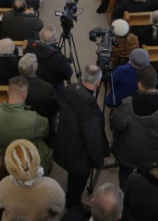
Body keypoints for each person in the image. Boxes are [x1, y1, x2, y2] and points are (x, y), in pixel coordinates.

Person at [110, 66, 158, 187]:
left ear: (139, 84)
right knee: (145, 174)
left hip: (129, 153)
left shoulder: (128, 106)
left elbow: (117, 123)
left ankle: (125, 194)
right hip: (153, 152)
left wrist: (114, 113)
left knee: (125, 174)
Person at [55, 65, 108, 210]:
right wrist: (98, 161)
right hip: (79, 156)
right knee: (77, 183)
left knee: (72, 175)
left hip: (65, 141)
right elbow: (93, 140)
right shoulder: (91, 109)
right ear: (98, 83)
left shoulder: (69, 89)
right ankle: (73, 205)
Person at [0, 77, 52, 172]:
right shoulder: (33, 119)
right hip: (27, 164)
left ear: (8, 92)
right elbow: (46, 129)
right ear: (24, 95)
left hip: (7, 160)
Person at [0, 139, 65, 221]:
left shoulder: (3, 186)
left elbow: (1, 205)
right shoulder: (53, 188)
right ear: (36, 159)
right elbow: (59, 208)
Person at [26, 25, 73, 95]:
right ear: (55, 40)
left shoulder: (30, 46)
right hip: (52, 92)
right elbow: (68, 74)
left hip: (33, 86)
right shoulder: (58, 57)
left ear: (40, 35)